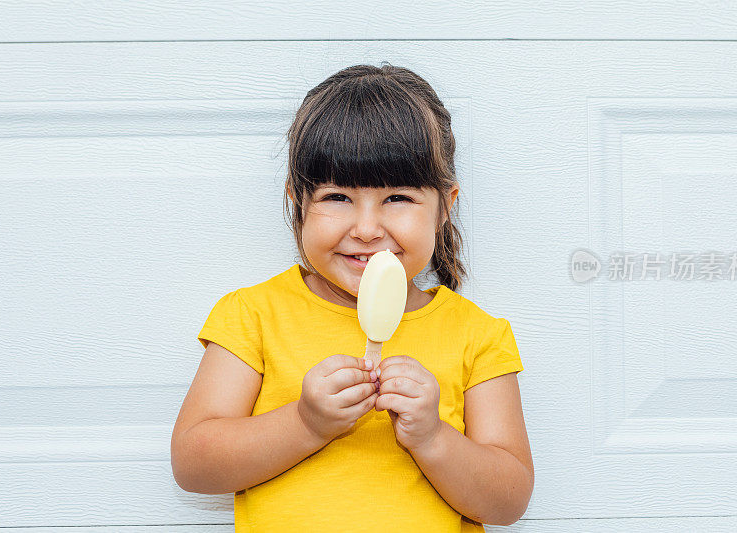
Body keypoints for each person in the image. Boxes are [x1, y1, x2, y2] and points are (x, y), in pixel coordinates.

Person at [171, 63, 534, 532]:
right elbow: (193, 465)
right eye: (338, 197)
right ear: (298, 201)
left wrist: (432, 438)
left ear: (445, 206)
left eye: (398, 198)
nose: (365, 229)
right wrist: (305, 423)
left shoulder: (479, 336)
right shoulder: (252, 316)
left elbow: (508, 502)